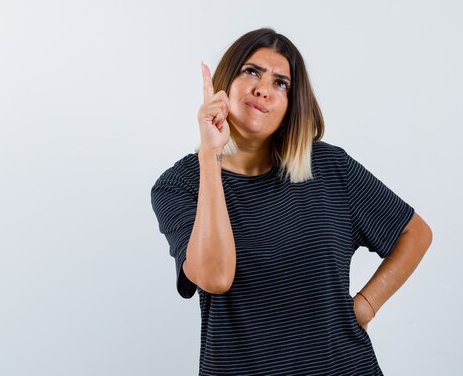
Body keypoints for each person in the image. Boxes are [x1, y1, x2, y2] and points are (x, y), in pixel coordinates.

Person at [150, 28, 432, 376]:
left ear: (290, 105)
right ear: (226, 82)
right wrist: (211, 155)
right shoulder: (180, 185)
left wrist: (365, 306)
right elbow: (215, 277)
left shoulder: (329, 168)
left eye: (280, 83)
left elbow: (415, 233)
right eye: (251, 71)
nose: (263, 90)